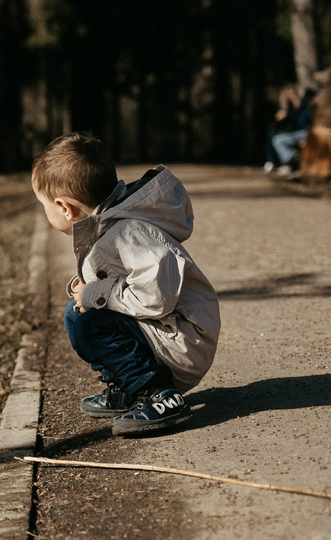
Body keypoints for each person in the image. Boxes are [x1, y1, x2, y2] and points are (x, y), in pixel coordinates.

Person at [31, 132, 221, 435]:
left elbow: (157, 297)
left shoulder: (127, 232)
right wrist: (91, 290)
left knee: (84, 322)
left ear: (64, 207)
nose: (45, 213)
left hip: (183, 339)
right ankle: (129, 389)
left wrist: (96, 293)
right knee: (80, 313)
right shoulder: (109, 226)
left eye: (44, 206)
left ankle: (159, 393)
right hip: (167, 332)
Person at [265, 83, 315, 174]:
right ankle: (287, 160)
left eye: (293, 91)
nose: (292, 94)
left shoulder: (305, 104)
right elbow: (288, 123)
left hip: (305, 132)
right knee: (274, 137)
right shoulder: (288, 106)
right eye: (289, 92)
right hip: (293, 132)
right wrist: (282, 117)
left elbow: (307, 120)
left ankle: (289, 163)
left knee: (276, 139)